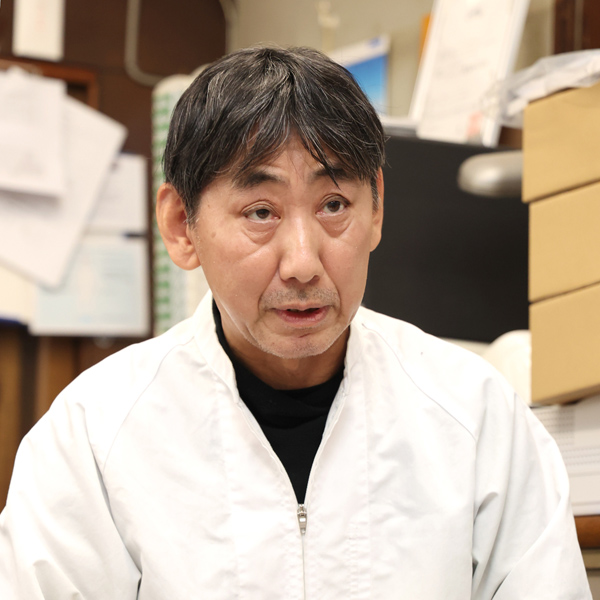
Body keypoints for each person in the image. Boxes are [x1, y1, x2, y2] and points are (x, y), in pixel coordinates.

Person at [0, 46, 591, 599]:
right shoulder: (94, 436)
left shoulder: (477, 416)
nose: (304, 262)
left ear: (376, 206)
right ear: (182, 225)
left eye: (334, 205)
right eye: (261, 212)